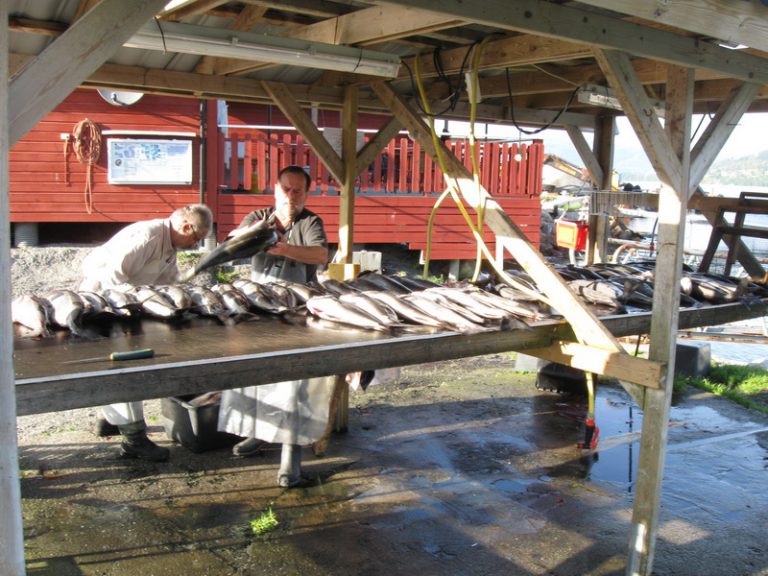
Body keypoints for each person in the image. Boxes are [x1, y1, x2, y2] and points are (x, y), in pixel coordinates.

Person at [217, 165, 332, 488]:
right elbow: (231, 243)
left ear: (306, 194)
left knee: (295, 385)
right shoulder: (259, 217)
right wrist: (253, 235)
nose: (290, 196)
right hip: (258, 309)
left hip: (297, 312)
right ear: (275, 189)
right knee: (254, 377)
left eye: (297, 191)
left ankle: (289, 463)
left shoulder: (310, 222)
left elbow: (320, 254)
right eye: (285, 189)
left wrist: (284, 249)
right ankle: (257, 434)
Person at [80, 203, 213, 461]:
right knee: (124, 368)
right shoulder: (146, 236)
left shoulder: (169, 246)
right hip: (103, 303)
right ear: (186, 227)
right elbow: (111, 277)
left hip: (129, 305)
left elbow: (168, 282)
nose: (195, 244)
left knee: (124, 365)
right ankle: (134, 440)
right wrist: (137, 303)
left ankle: (108, 421)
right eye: (196, 238)